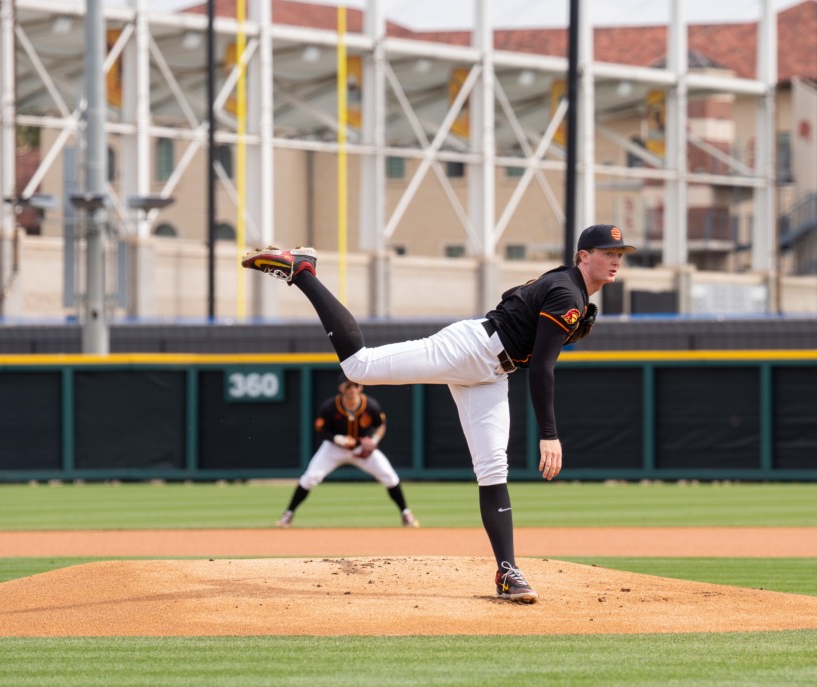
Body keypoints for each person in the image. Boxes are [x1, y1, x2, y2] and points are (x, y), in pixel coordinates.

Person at [242, 223, 635, 603]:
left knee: (493, 468)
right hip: (471, 348)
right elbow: (545, 366)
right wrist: (548, 433)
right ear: (584, 256)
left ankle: (507, 571)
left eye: (619, 254)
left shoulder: (567, 286)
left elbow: (511, 297)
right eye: (607, 253)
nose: (616, 260)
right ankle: (303, 270)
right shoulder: (569, 294)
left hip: (494, 372)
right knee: (358, 367)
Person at [277, 373, 420, 529]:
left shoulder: (370, 405)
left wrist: (374, 441)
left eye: (355, 385)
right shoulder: (330, 407)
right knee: (310, 477)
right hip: (334, 449)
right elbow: (320, 429)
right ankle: (288, 515)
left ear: (361, 387)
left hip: (361, 448)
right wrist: (337, 439)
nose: (352, 389)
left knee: (389, 476)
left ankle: (406, 514)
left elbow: (380, 425)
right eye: (348, 385)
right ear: (341, 388)